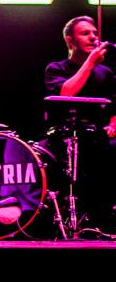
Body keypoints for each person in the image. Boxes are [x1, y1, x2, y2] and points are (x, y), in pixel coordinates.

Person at [43, 15, 116, 230]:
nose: (93, 37)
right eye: (85, 33)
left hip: (100, 138)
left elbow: (114, 108)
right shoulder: (56, 69)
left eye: (95, 33)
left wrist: (113, 125)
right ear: (70, 40)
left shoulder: (106, 73)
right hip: (64, 137)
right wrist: (90, 63)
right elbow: (66, 93)